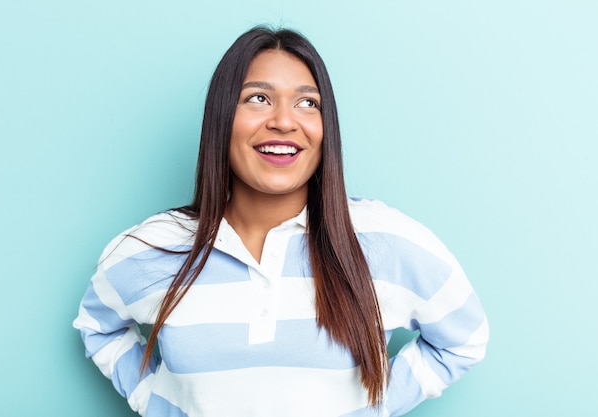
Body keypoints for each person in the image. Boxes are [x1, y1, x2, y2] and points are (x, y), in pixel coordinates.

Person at [73, 26, 489, 417]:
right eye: (258, 98)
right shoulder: (154, 248)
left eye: (308, 103)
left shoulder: (385, 240)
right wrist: (161, 403)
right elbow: (98, 326)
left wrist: (371, 406)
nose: (285, 121)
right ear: (222, 118)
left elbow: (463, 341)